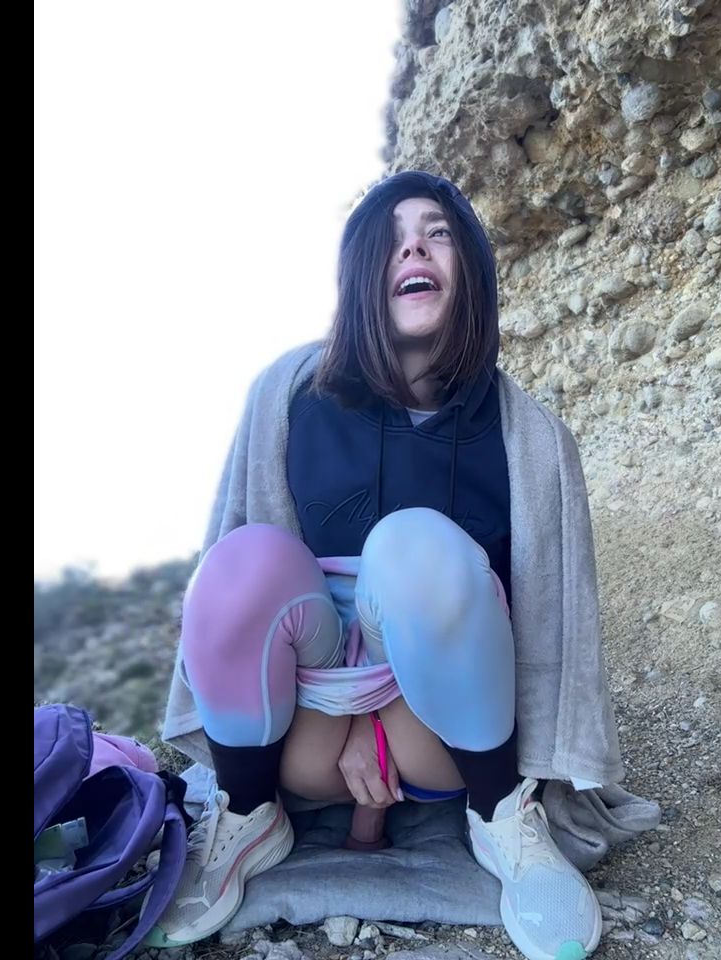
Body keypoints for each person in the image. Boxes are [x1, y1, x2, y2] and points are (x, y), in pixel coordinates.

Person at [149, 171, 626, 960]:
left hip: (440, 734)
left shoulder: (532, 436)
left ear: (471, 270)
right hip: (307, 721)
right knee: (242, 560)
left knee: (414, 546)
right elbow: (239, 588)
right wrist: (342, 719)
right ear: (362, 277)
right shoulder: (288, 392)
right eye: (392, 239)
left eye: (438, 233)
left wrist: (385, 727)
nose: (414, 248)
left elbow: (557, 630)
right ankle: (246, 815)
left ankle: (504, 817)